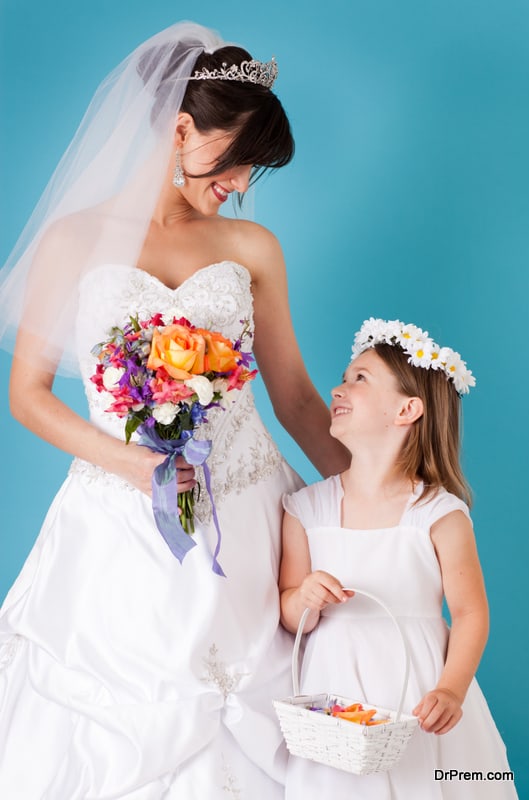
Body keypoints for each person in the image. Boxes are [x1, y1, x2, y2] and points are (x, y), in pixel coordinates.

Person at [0, 21, 349, 799]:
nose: (244, 185)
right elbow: (25, 395)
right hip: (121, 523)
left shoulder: (253, 247)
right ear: (183, 128)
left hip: (249, 514)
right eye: (236, 161)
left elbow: (292, 394)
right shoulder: (73, 241)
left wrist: (375, 497)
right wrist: (136, 464)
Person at [279, 318, 518, 799]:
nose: (338, 388)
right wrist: (305, 596)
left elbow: (470, 612)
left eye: (359, 379)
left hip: (419, 690)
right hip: (338, 705)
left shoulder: (437, 513)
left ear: (407, 409)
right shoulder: (306, 509)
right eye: (345, 377)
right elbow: (288, 614)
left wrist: (451, 690)